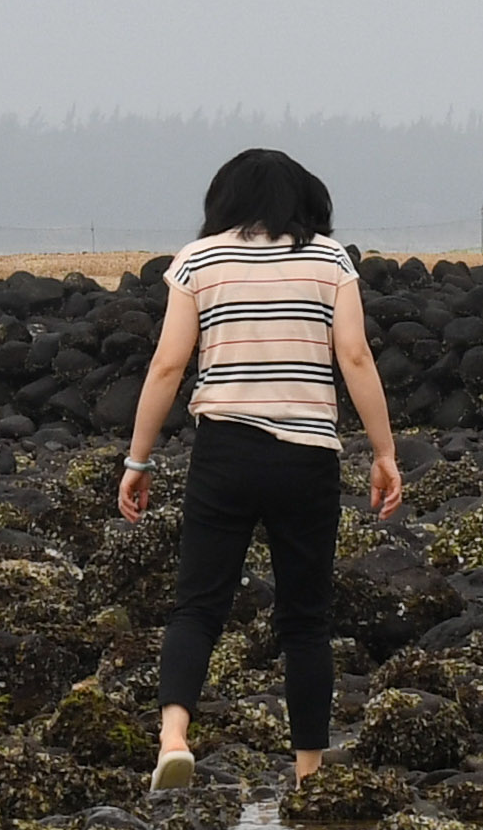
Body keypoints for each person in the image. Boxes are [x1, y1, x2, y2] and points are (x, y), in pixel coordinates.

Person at [117, 146, 405, 792]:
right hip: (306, 458)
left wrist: (138, 459)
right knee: (305, 618)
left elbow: (166, 367)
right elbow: (355, 358)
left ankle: (172, 738)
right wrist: (384, 454)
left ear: (224, 200)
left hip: (224, 451)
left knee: (196, 607)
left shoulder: (198, 260)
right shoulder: (329, 258)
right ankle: (306, 771)